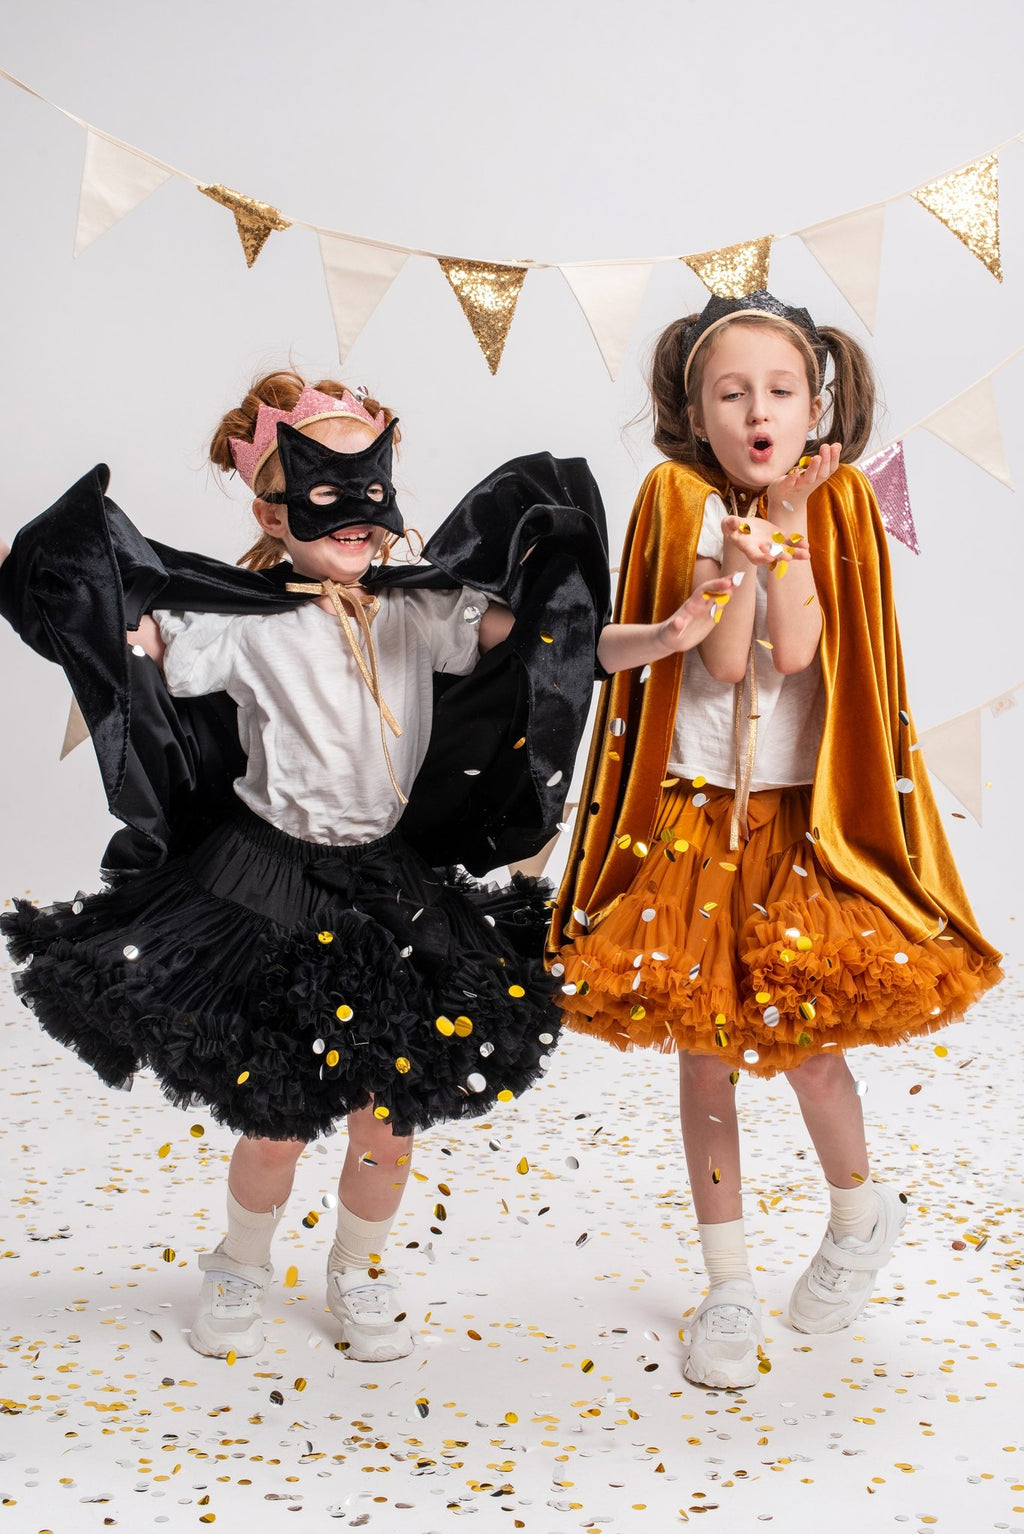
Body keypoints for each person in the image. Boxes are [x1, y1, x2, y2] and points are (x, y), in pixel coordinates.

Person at [0, 369, 730, 1368]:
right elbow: (143, 644)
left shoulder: (420, 610)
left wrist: (665, 635)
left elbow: (549, 648)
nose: (354, 513)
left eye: (368, 484)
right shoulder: (243, 621)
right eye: (323, 489)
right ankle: (242, 1262)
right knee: (277, 1113)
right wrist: (66, 594)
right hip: (267, 883)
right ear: (272, 507)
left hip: (390, 889)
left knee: (389, 1116)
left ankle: (358, 1267)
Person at [548, 291, 1002, 1391]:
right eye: (730, 392)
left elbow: (795, 656)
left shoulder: (834, 504)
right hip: (694, 816)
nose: (757, 410)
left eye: (780, 391)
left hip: (801, 825)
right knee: (703, 1063)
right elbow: (714, 664)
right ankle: (729, 1283)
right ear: (692, 413)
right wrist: (730, 570)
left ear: (816, 406)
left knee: (806, 1049)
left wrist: (785, 536)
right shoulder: (672, 500)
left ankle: (858, 1214)